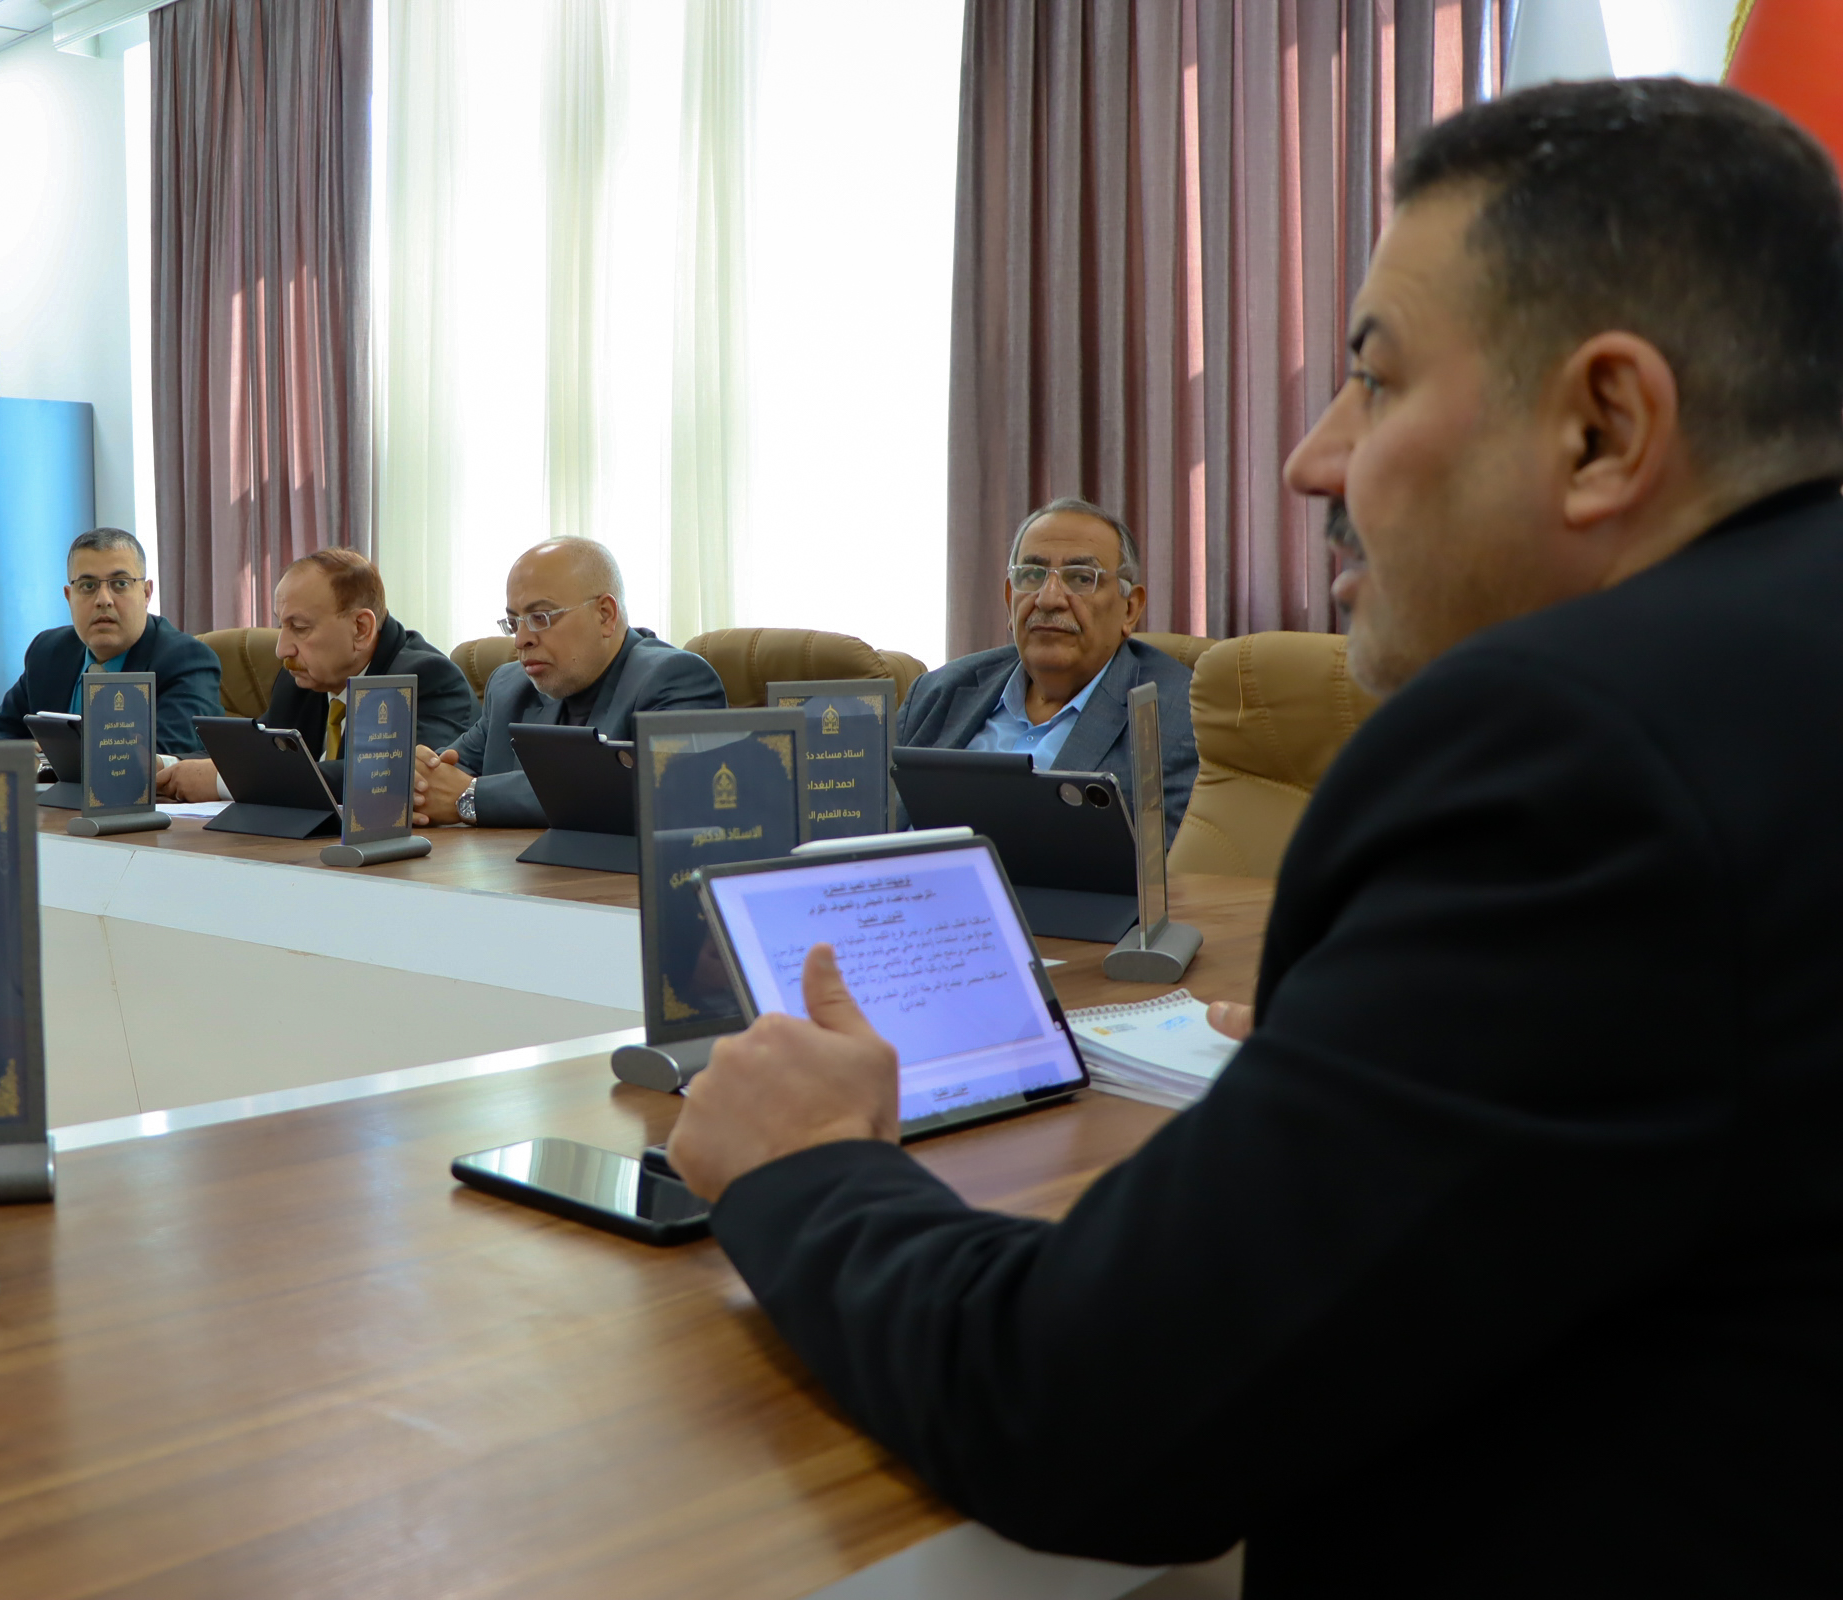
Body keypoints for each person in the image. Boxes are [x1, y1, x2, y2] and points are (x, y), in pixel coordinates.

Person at [665, 79, 1843, 1597]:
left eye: (1374, 380)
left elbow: (1084, 1404)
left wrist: (809, 1165)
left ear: (1603, 426)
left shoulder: (1574, 756)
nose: (1312, 461)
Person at [898, 497, 1197, 834]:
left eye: (1081, 578)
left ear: (1129, 609)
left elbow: (1160, 862)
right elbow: (870, 825)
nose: (1048, 598)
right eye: (1032, 575)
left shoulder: (1177, 719)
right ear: (1010, 599)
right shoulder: (939, 693)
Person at [413, 537, 724, 828]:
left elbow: (652, 791)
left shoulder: (675, 678)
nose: (521, 640)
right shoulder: (509, 687)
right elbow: (441, 778)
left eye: (540, 617)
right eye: (514, 622)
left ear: (605, 615)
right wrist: (415, 779)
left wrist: (472, 796)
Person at [156, 549, 475, 801]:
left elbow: (389, 778)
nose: (282, 649)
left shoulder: (426, 680)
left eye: (299, 627)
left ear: (361, 629)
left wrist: (223, 781)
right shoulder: (301, 680)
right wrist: (165, 765)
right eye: (282, 625)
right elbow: (256, 751)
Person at [0, 528, 220, 756]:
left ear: (146, 593)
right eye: (88, 586)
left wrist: (57, 756)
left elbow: (160, 755)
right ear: (69, 597)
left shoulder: (186, 660)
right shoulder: (47, 651)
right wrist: (23, 752)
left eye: (120, 584)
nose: (103, 600)